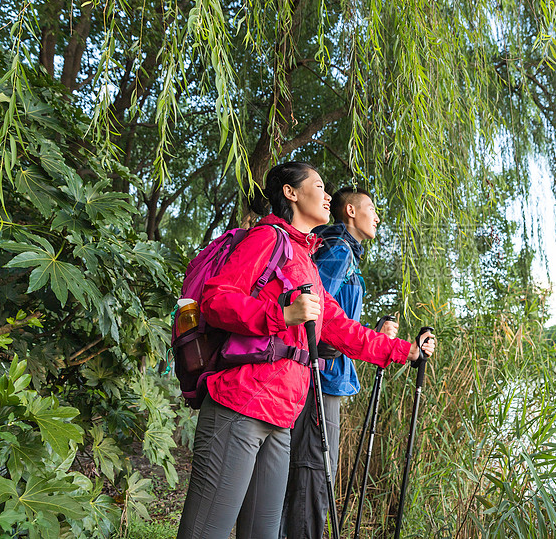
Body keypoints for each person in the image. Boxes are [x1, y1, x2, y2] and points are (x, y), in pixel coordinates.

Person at [176, 162, 435, 539]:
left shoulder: (306, 261)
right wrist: (280, 313)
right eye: (318, 185)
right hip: (240, 404)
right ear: (290, 193)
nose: (328, 195)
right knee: (206, 532)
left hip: (282, 416)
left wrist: (404, 351)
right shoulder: (266, 239)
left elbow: (341, 328)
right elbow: (217, 300)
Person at [281, 188, 397, 539]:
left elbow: (333, 314)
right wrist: (328, 347)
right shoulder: (337, 250)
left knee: (310, 466)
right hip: (322, 377)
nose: (377, 217)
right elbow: (313, 313)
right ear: (350, 210)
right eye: (372, 209)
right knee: (314, 468)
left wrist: (371, 334)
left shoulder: (338, 249)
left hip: (326, 373)